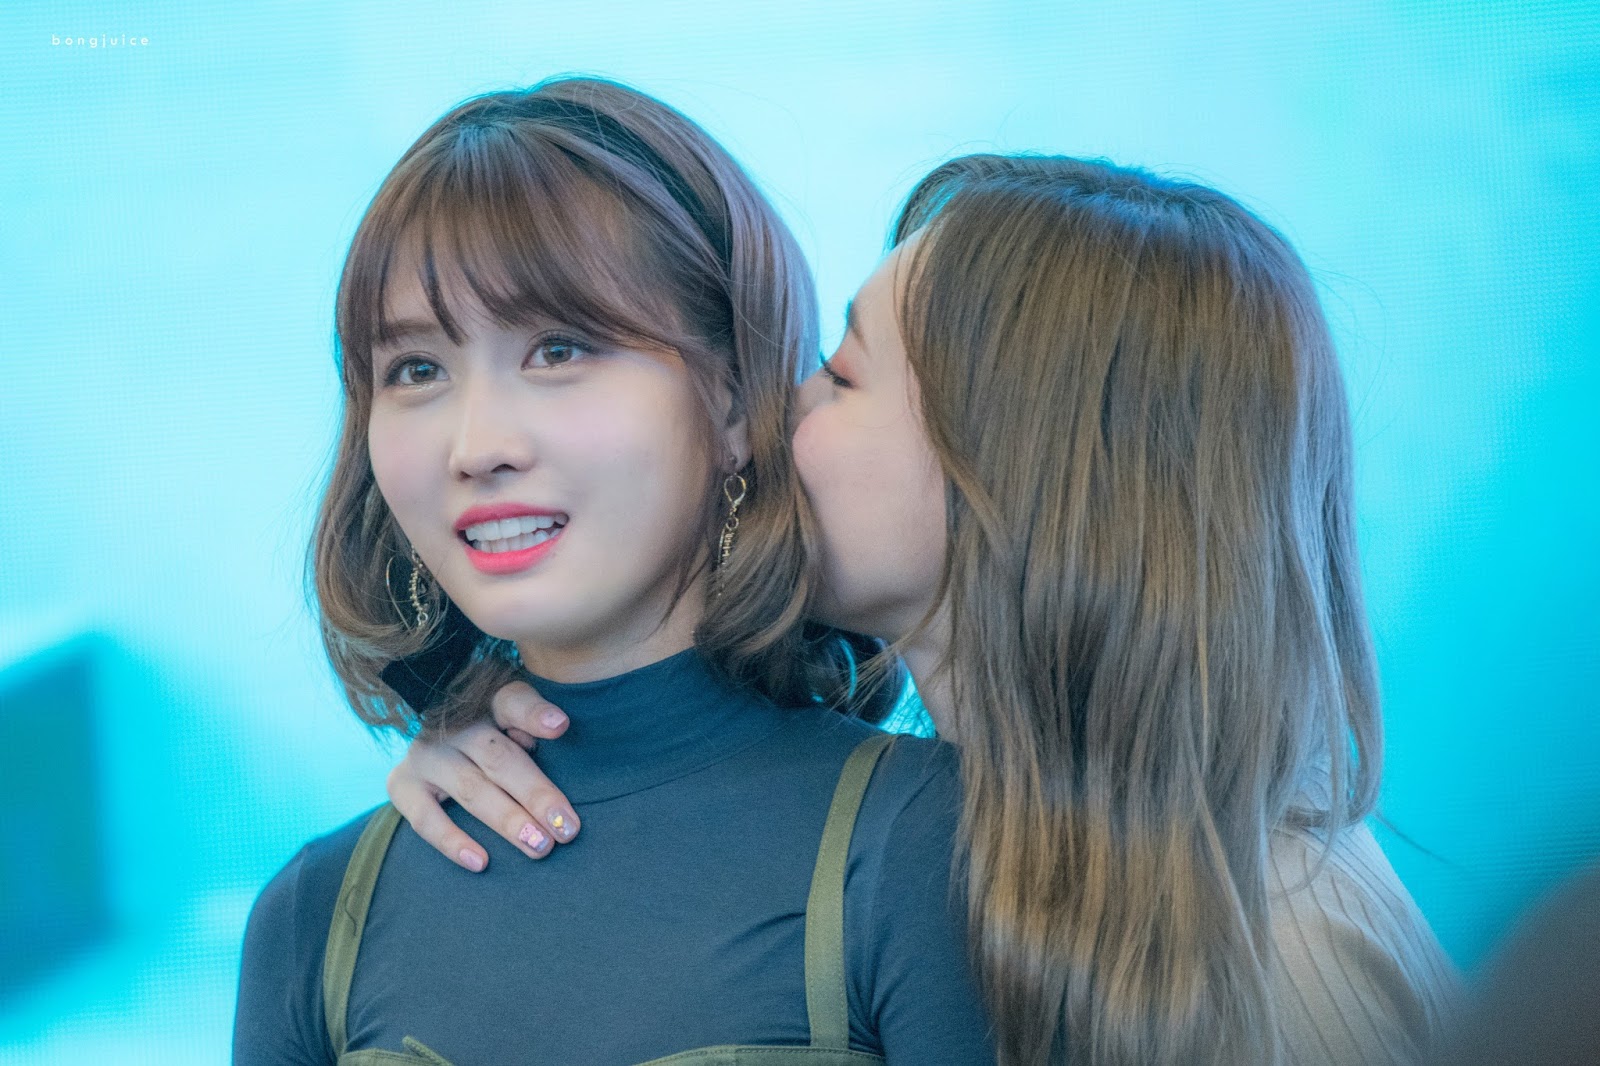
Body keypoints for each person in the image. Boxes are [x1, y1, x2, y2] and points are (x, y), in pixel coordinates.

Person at [388, 154, 1462, 1063]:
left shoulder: (1283, 938)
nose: (779, 411)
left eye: (841, 376)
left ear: (1008, 466)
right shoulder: (1014, 843)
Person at [232, 77, 995, 1065]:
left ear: (732, 398)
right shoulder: (314, 912)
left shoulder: (924, 843)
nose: (478, 445)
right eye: (416, 370)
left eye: (558, 350)